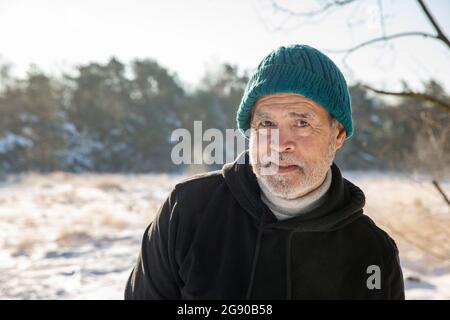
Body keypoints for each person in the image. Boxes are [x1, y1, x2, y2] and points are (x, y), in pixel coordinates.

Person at [125, 44, 405, 300]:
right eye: (267, 123)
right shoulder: (187, 212)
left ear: (338, 134)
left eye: (301, 123)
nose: (280, 144)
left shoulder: (373, 253)